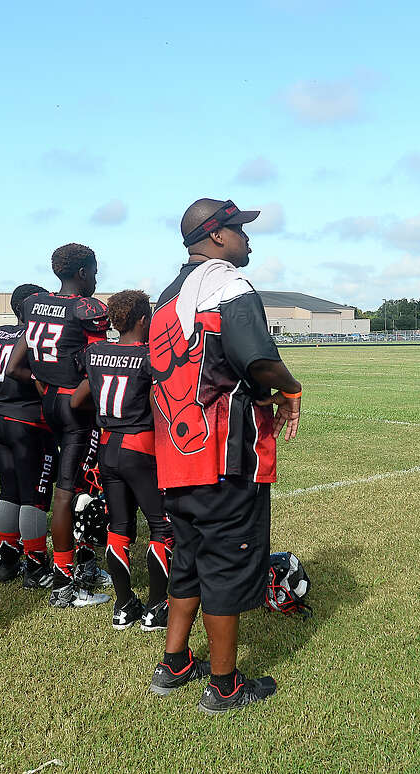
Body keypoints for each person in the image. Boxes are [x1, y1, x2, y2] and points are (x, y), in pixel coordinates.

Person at [147, 198, 302, 714]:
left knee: (187, 561)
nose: (248, 239)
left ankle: (174, 663)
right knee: (225, 567)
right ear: (216, 237)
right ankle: (225, 683)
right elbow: (258, 359)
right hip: (223, 456)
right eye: (239, 229)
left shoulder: (168, 296)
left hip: (175, 454)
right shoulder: (228, 285)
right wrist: (290, 390)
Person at [6, 243, 112, 609]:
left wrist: (46, 387)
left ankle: (82, 566)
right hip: (76, 407)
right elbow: (98, 363)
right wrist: (75, 394)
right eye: (94, 271)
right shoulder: (87, 308)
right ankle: (66, 583)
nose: (96, 278)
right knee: (70, 493)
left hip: (51, 402)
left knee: (75, 488)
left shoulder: (35, 304)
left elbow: (15, 367)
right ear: (82, 272)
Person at [72, 290, 172, 631]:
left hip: (107, 444)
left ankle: (123, 605)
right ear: (145, 319)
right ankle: (157, 608)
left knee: (119, 528)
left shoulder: (96, 352)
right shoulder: (149, 356)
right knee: (162, 527)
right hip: (139, 445)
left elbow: (76, 401)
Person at [0, 283, 55, 587]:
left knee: (9, 491)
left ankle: (7, 562)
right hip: (28, 421)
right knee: (34, 495)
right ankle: (35, 567)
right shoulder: (35, 335)